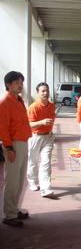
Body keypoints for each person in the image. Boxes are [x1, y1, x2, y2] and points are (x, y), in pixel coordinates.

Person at [0, 71, 32, 227]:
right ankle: (9, 215)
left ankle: (14, 208)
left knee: (19, 180)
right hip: (14, 144)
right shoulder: (5, 103)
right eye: (17, 82)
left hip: (23, 141)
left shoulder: (18, 100)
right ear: (8, 85)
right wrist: (9, 147)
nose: (20, 85)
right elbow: (3, 127)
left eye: (21, 82)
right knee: (12, 181)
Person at [27, 82, 56, 198]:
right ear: (37, 93)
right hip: (35, 136)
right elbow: (28, 125)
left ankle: (45, 188)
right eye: (42, 91)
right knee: (33, 161)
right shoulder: (33, 107)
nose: (45, 93)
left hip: (48, 137)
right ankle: (32, 181)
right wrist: (41, 123)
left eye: (47, 91)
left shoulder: (52, 105)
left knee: (46, 162)